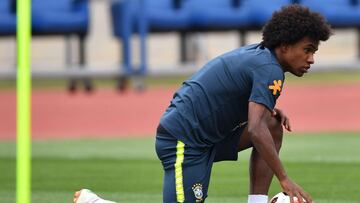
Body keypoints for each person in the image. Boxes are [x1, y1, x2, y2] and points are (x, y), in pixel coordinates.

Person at [73, 4, 332, 203]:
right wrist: (284, 179)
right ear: (285, 46)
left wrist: (267, 108)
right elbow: (254, 129)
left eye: (314, 52)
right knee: (262, 126)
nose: (311, 59)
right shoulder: (269, 69)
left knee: (272, 123)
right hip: (183, 141)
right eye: (307, 50)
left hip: (210, 138)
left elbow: (244, 105)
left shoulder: (263, 58)